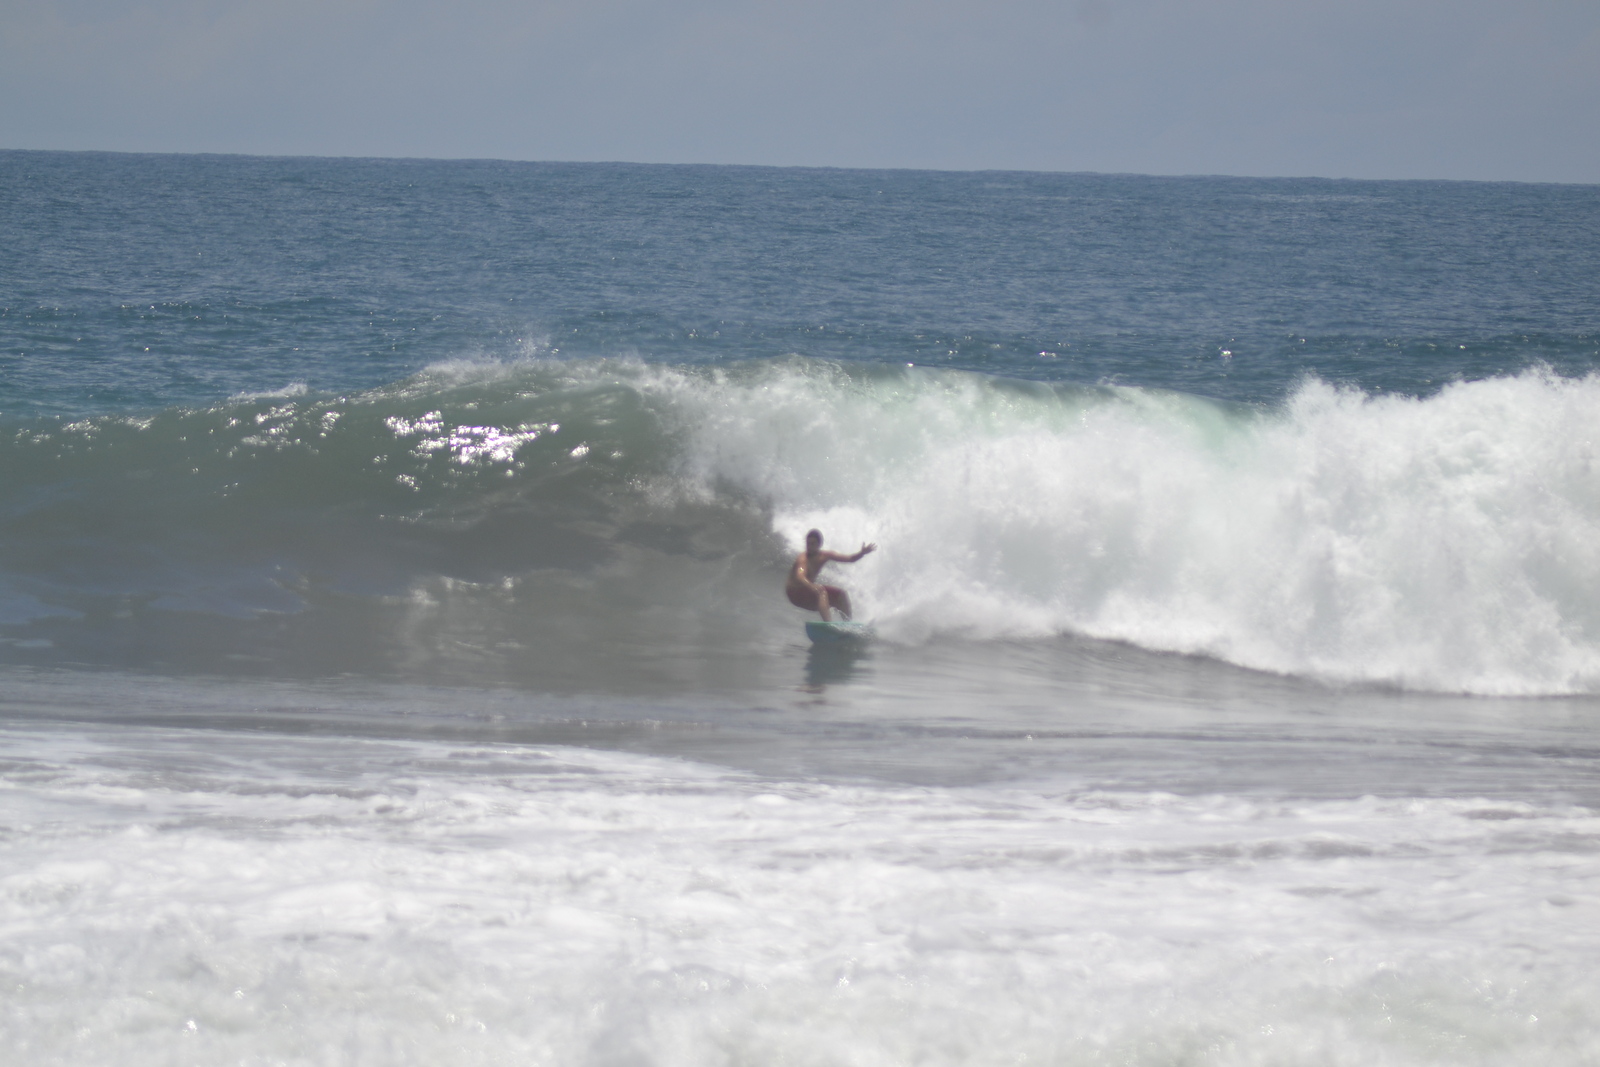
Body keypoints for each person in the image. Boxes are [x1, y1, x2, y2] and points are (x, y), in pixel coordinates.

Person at [786, 529, 876, 621]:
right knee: (821, 590)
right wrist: (812, 586)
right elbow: (800, 576)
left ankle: (848, 625)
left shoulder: (825, 555)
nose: (809, 547)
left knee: (841, 595)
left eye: (812, 544)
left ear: (819, 545)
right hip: (795, 594)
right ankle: (828, 624)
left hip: (807, 593)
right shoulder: (803, 559)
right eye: (808, 543)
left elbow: (850, 559)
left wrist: (862, 553)